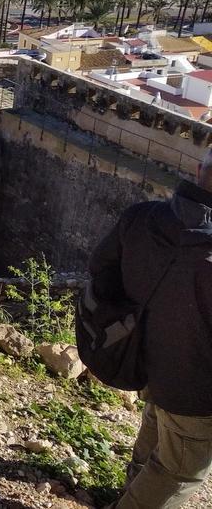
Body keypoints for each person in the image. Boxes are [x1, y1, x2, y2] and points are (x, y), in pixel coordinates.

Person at [91, 148, 212, 509]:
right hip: (197, 392)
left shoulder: (141, 217)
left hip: (145, 360)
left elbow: (101, 270)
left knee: (157, 424)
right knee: (179, 471)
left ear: (198, 169)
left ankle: (132, 486)